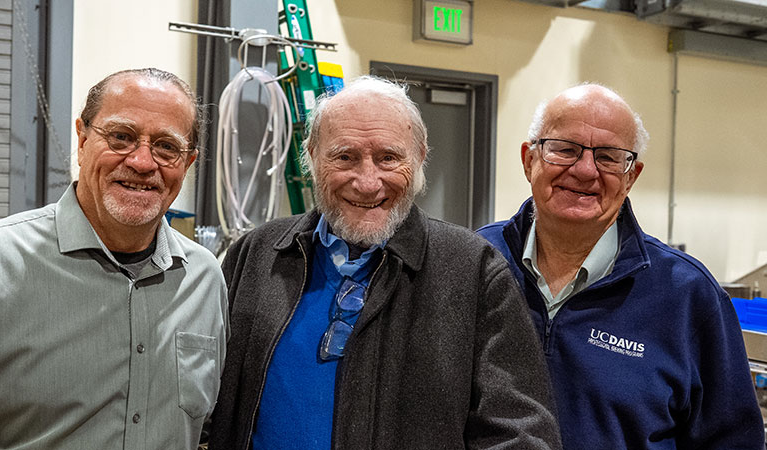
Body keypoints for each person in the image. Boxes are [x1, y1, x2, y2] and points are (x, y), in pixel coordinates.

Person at [208, 76, 562, 449]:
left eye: (388, 158)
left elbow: (520, 432)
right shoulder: (258, 255)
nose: (367, 182)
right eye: (344, 157)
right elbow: (205, 397)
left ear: (420, 157)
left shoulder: (472, 272)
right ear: (311, 155)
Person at [478, 83, 764, 448]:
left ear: (631, 176)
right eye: (565, 150)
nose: (585, 170)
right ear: (529, 159)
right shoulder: (478, 261)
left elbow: (733, 442)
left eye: (609, 157)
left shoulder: (688, 296)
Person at [0, 68, 228, 449]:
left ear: (187, 164)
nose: (142, 162)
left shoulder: (204, 278)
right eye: (121, 137)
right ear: (83, 139)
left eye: (166, 147)